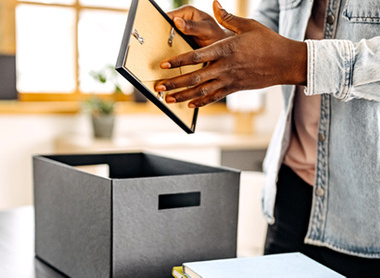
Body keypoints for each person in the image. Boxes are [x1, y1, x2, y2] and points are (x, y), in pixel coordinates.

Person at [154, 0, 380, 277]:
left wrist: (298, 62)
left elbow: (286, 56)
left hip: (368, 214)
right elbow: (269, 24)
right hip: (289, 192)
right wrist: (225, 44)